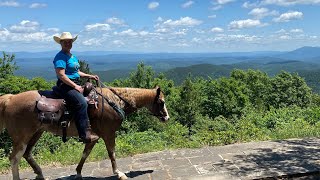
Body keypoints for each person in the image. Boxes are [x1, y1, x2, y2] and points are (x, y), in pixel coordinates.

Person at [53, 32, 99, 143]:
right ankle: (83, 135)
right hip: (65, 85)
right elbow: (61, 75)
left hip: (74, 83)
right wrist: (75, 86)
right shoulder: (60, 57)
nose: (68, 44)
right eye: (65, 42)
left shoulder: (72, 56)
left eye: (70, 42)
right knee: (82, 102)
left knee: (94, 97)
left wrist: (90, 76)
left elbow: (77, 72)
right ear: (61, 43)